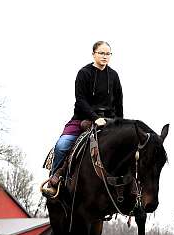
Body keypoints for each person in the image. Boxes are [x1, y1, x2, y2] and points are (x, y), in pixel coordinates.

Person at [41, 41, 123, 197]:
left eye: (108, 54)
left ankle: (123, 192)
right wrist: (95, 118)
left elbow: (119, 102)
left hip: (109, 122)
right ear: (94, 54)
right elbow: (80, 101)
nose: (105, 57)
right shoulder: (84, 73)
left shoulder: (114, 76)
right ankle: (54, 181)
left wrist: (119, 123)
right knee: (62, 145)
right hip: (82, 118)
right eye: (102, 53)